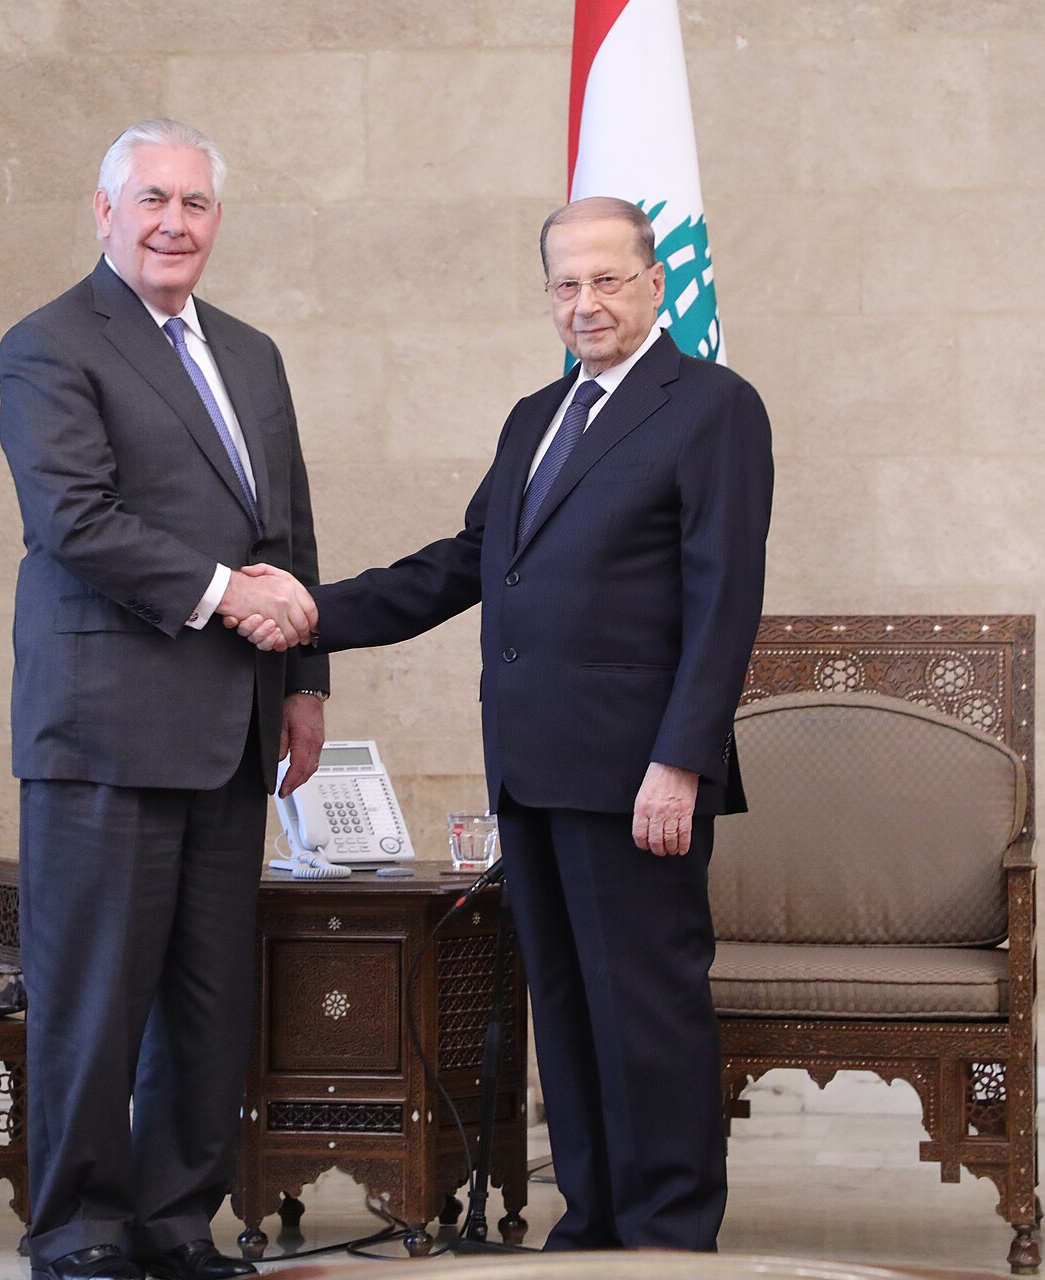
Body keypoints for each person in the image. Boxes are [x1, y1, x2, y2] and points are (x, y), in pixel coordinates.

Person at [245, 196, 773, 1251]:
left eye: (609, 280)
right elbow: (463, 565)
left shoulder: (713, 406)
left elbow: (726, 600)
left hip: (637, 777)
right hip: (531, 769)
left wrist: (681, 759)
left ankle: (669, 1234)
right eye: (566, 284)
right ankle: (594, 1221)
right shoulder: (536, 416)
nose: (588, 303)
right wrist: (312, 608)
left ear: (656, 283)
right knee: (569, 1013)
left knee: (649, 1014)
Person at [0, 117, 325, 1280]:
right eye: (151, 200)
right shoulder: (48, 344)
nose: (174, 222)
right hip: (104, 729)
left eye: (194, 203)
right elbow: (72, 520)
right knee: (94, 998)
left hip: (234, 726)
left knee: (206, 995)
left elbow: (287, 526)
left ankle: (177, 1218)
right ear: (104, 211)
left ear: (217, 221)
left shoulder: (251, 351)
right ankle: (79, 1225)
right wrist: (231, 596)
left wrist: (304, 685)